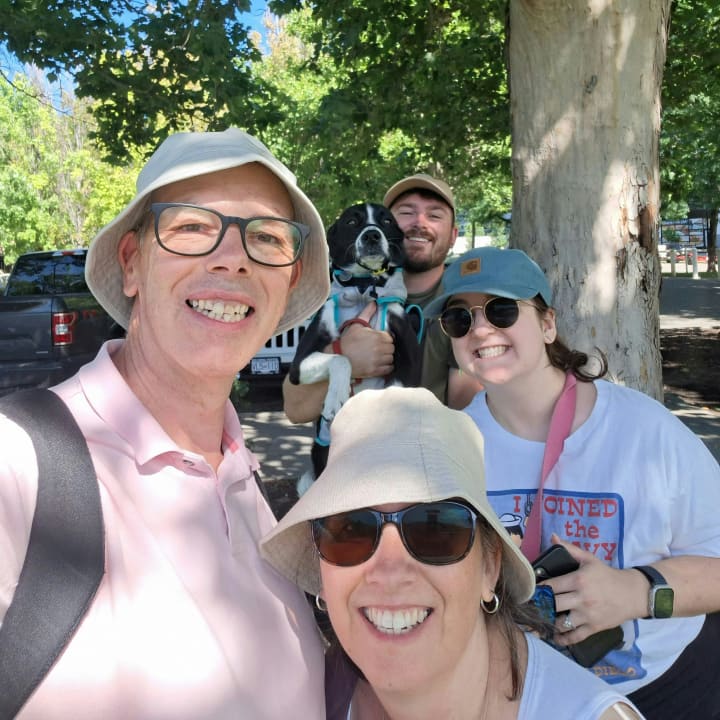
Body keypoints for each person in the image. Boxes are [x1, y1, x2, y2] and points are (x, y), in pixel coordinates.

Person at [0, 128, 330, 718]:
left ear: (286, 284)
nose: (233, 257)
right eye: (193, 227)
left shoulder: (245, 479)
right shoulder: (17, 466)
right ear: (132, 263)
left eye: (266, 237)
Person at [424, 245, 720, 718]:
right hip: (523, 694)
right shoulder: (447, 447)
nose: (479, 329)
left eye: (501, 310)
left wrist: (635, 591)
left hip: (666, 687)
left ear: (548, 324)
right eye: (459, 319)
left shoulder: (647, 431)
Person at [261, 386, 644, 720]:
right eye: (351, 531)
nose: (390, 572)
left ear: (489, 567)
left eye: (435, 530)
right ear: (322, 571)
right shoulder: (308, 694)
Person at [282, 173, 481, 424]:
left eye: (434, 215)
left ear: (453, 235)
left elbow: (466, 414)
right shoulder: (340, 297)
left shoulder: (465, 306)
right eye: (406, 212)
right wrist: (344, 355)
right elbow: (295, 410)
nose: (419, 222)